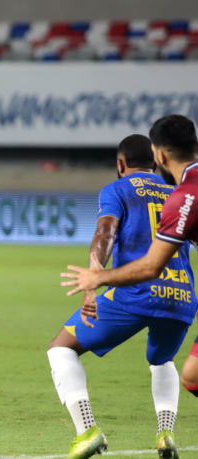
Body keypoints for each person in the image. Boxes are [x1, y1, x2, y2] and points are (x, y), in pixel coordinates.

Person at [51, 134, 193, 459]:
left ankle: (87, 430)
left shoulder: (117, 189)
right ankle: (166, 433)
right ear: (155, 163)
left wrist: (91, 284)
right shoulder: (178, 193)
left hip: (137, 292)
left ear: (120, 164)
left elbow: (105, 232)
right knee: (162, 360)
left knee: (61, 348)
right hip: (181, 295)